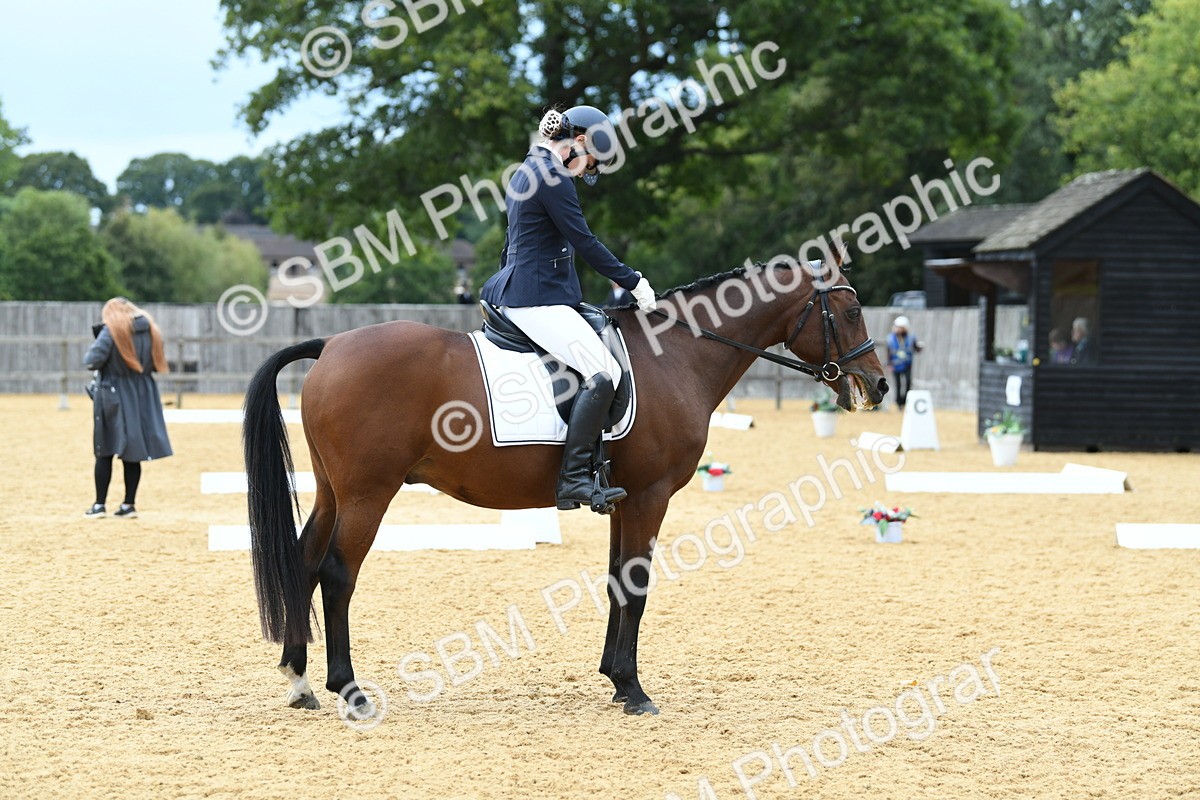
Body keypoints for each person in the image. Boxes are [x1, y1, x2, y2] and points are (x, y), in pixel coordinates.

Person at [481, 106, 657, 512]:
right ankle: (574, 478)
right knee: (604, 372)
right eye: (590, 162)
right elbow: (584, 241)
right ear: (579, 142)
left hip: (528, 289)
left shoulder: (528, 167)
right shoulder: (553, 175)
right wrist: (634, 280)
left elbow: (512, 243)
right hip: (536, 297)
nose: (585, 171)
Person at [82, 298, 173, 518]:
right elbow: (155, 362)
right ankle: (128, 504)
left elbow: (91, 360)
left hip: (113, 393)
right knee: (134, 450)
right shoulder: (152, 330)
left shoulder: (112, 330)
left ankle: (99, 505)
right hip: (141, 394)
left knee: (104, 448)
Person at [886, 315, 922, 410]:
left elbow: (915, 348)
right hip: (895, 364)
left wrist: (919, 347)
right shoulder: (890, 338)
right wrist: (889, 364)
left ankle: (906, 401)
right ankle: (899, 403)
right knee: (898, 384)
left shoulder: (911, 337)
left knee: (908, 382)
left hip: (907, 364)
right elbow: (888, 351)